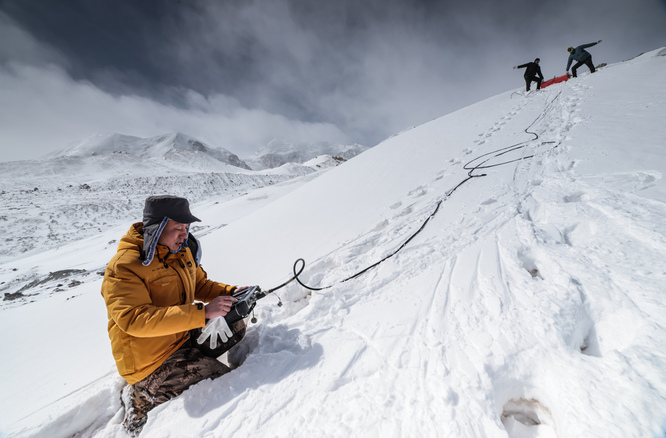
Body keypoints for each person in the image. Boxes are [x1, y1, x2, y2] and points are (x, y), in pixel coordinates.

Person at [101, 195, 249, 436]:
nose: (184, 233)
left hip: (179, 336)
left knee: (235, 325)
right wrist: (202, 313)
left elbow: (199, 284)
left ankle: (191, 358)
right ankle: (140, 395)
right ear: (156, 228)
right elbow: (134, 320)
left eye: (187, 227)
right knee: (219, 380)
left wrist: (231, 292)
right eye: (178, 228)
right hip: (149, 361)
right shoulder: (124, 267)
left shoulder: (181, 251)